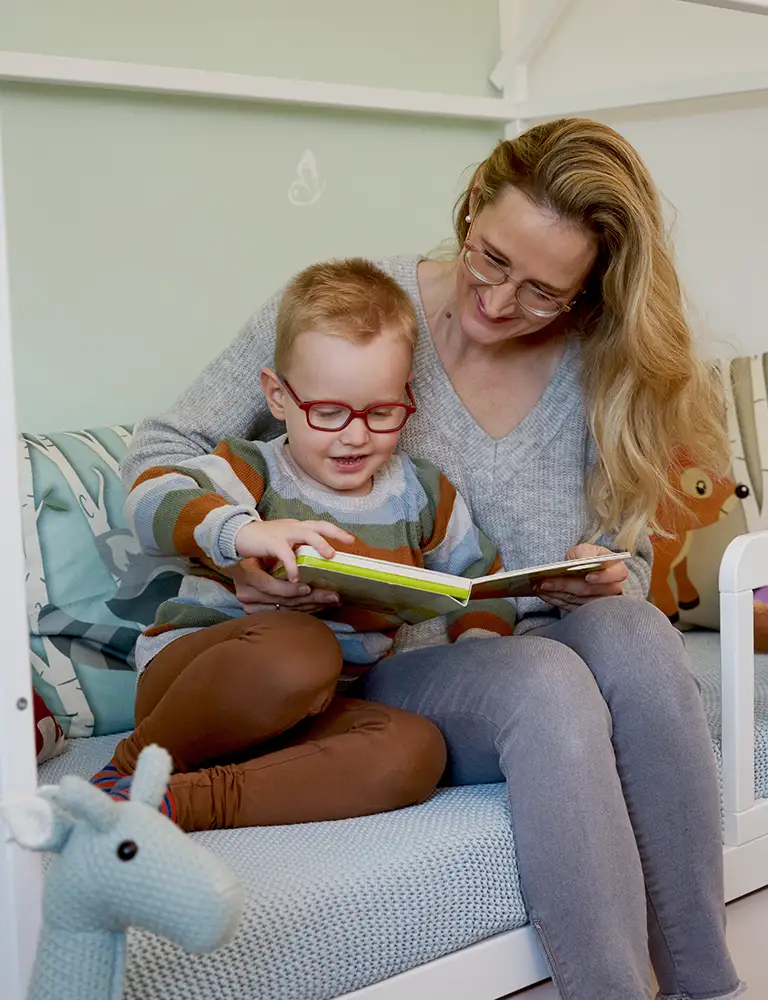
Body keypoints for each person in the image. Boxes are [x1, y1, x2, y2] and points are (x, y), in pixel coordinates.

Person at [122, 119, 742, 999]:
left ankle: (706, 987)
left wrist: (600, 571)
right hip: (384, 658)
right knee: (543, 684)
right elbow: (164, 447)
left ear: (590, 293)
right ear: (473, 202)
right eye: (490, 260)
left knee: (638, 632)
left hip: (508, 635)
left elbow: (622, 550)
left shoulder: (602, 360)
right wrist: (237, 549)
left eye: (542, 293)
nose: (497, 302)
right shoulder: (358, 309)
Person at [92, 257, 524, 831]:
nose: (355, 434)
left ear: (406, 397)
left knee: (416, 750)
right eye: (327, 411)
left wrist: (476, 646)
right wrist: (242, 533)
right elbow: (150, 500)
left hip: (309, 710)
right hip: (192, 690)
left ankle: (180, 803)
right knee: (303, 649)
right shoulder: (253, 470)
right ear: (278, 397)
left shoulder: (422, 494)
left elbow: (482, 580)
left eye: (382, 411)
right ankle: (129, 767)